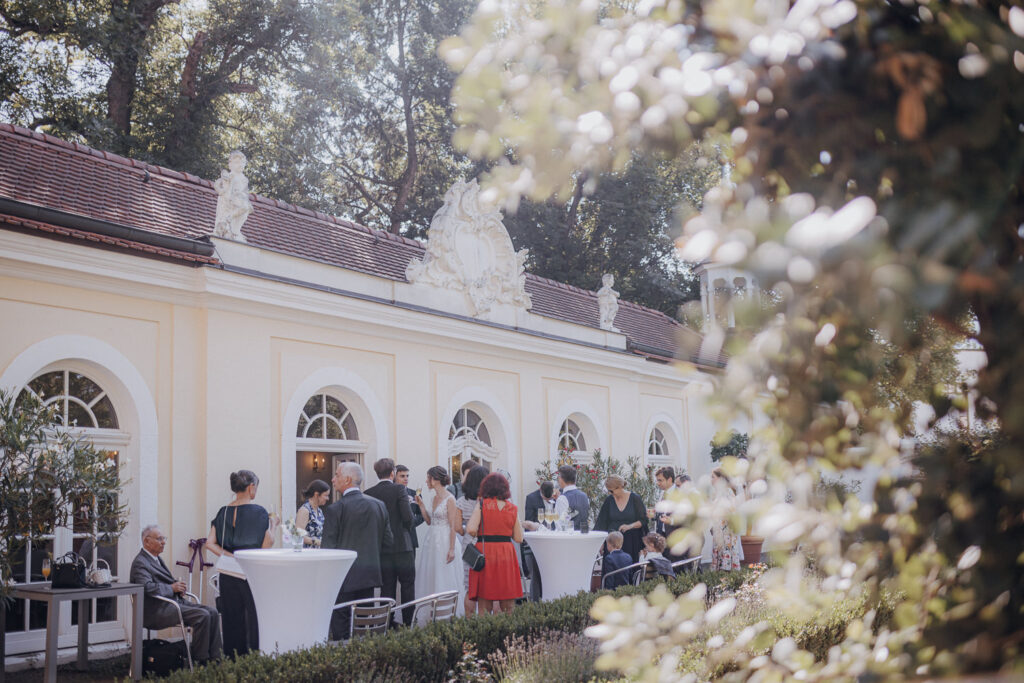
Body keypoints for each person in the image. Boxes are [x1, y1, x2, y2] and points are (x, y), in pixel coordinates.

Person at [205, 469, 276, 657]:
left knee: (231, 618)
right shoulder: (260, 512)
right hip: (251, 572)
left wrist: (229, 555)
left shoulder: (224, 511)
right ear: (251, 487)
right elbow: (266, 545)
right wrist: (274, 526)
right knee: (254, 616)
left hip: (227, 574)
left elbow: (209, 543)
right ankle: (254, 657)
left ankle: (233, 659)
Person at [321, 461, 393, 640]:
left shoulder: (335, 509)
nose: (332, 479)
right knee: (364, 626)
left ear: (347, 479)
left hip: (342, 578)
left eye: (336, 475)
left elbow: (327, 549)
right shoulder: (378, 505)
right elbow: (388, 542)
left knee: (341, 627)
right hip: (369, 576)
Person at [131, 525, 223, 663]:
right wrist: (172, 588)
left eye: (164, 538)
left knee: (213, 612)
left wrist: (178, 588)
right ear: (147, 541)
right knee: (202, 616)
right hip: (156, 610)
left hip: (171, 604)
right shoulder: (140, 562)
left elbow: (161, 583)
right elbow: (147, 587)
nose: (164, 542)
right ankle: (201, 660)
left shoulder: (155, 558)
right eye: (159, 539)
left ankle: (216, 659)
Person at [365, 458, 417, 626]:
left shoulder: (368, 493)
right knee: (407, 587)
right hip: (403, 546)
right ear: (393, 473)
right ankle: (409, 624)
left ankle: (387, 623)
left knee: (387, 588)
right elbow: (408, 517)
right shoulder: (399, 490)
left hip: (382, 549)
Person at [466, 472, 524, 614]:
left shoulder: (482, 505)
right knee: (508, 604)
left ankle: (486, 634)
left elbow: (471, 529)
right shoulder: (512, 508)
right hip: (506, 553)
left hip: (486, 553)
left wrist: (482, 532)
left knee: (485, 604)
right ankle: (508, 635)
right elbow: (519, 538)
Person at [413, 465, 465, 621]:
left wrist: (451, 549)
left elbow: (453, 526)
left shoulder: (450, 499)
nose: (426, 481)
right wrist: (421, 505)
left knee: (444, 576)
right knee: (431, 576)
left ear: (435, 479)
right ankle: (431, 614)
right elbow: (429, 521)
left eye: (428, 478)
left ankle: (446, 615)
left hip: (444, 541)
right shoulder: (434, 498)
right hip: (432, 542)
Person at [456, 464, 489, 615]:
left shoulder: (461, 501)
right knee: (486, 586)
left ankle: (469, 623)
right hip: (487, 543)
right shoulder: (489, 501)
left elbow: (457, 527)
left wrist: (466, 532)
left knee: (470, 587)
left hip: (469, 546)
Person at [594, 474, 648, 563]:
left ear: (619, 487)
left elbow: (644, 520)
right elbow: (602, 522)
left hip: (631, 541)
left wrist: (629, 526)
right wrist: (600, 543)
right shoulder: (609, 500)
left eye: (611, 491)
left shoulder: (635, 498)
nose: (610, 493)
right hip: (613, 542)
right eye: (608, 491)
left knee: (630, 570)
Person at [521, 481, 555, 601]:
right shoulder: (531, 498)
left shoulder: (557, 497)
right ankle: (535, 602)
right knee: (535, 575)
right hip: (537, 542)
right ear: (540, 491)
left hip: (553, 542)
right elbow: (528, 521)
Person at [710, 468, 742, 571]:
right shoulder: (718, 493)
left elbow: (732, 512)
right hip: (719, 531)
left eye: (713, 477)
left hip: (726, 533)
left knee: (726, 562)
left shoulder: (727, 492)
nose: (711, 479)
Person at [653, 466, 686, 562]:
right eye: (657, 480)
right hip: (663, 537)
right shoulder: (662, 493)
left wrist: (671, 520)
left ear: (670, 479)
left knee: (677, 568)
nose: (658, 483)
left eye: (660, 480)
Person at [294, 479, 330, 546]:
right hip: (308, 553)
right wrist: (317, 542)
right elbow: (298, 535)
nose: (328, 498)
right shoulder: (304, 511)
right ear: (316, 495)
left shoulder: (319, 511)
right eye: (325, 495)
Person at [553, 465, 589, 530]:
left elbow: (560, 525)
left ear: (561, 479)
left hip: (568, 537)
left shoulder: (562, 499)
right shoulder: (584, 496)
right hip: (583, 536)